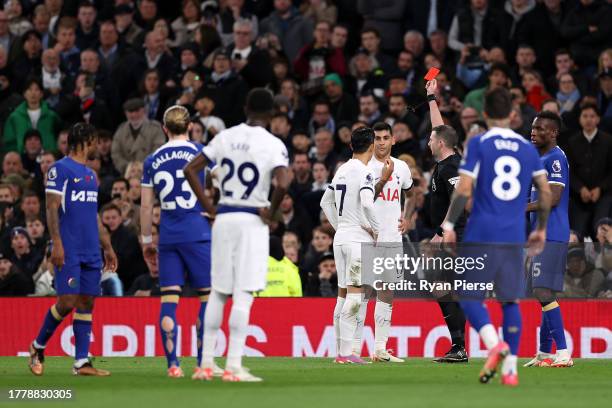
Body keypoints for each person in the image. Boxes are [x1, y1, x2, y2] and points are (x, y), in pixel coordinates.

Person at [441, 88, 552, 386]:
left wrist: (449, 224)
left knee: (467, 295)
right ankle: (511, 369)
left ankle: (495, 345)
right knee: (510, 301)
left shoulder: (478, 143)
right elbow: (544, 191)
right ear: (513, 115)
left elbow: (464, 189)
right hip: (514, 234)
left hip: (481, 232)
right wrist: (540, 228)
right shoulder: (528, 149)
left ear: (485, 114)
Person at [186, 88, 289, 382]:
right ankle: (233, 365)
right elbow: (283, 180)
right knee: (243, 293)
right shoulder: (272, 143)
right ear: (271, 114)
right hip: (251, 218)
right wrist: (270, 210)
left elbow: (191, 170)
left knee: (218, 291)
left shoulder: (225, 136)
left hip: (224, 216)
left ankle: (205, 364)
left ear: (245, 107)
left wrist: (210, 207)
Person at [28, 123, 118, 377]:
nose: (97, 146)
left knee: (87, 301)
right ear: (86, 141)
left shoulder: (91, 175)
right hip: (68, 248)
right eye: (95, 141)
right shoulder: (60, 169)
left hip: (91, 250)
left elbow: (94, 216)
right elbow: (51, 208)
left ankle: (81, 363)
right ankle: (37, 346)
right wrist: (56, 242)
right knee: (67, 301)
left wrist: (107, 247)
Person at [140, 105, 214, 378]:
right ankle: (202, 364)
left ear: (164, 128)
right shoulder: (202, 153)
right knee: (207, 297)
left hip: (168, 235)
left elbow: (146, 207)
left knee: (169, 299)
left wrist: (147, 239)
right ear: (190, 126)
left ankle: (173, 365)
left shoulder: (152, 159)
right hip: (197, 232)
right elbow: (218, 184)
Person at [319, 126, 390, 364]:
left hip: (341, 239)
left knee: (342, 297)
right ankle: (346, 354)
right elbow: (368, 204)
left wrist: (340, 226)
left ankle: (340, 352)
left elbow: (325, 201)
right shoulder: (365, 172)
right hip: (358, 241)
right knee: (355, 297)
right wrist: (377, 231)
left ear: (352, 146)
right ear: (371, 146)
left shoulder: (341, 170)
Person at [353, 121, 414, 363]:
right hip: (367, 238)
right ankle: (354, 348)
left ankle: (380, 349)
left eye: (385, 138)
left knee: (387, 292)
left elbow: (412, 192)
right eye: (376, 138)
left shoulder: (402, 167)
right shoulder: (364, 166)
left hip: (392, 238)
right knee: (364, 292)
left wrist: (407, 217)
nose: (380, 142)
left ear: (393, 140)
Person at [525, 111, 573, 368]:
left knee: (541, 290)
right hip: (542, 233)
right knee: (544, 291)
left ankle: (563, 352)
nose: (534, 132)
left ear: (553, 132)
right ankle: (545, 352)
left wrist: (520, 209)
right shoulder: (541, 158)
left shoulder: (555, 158)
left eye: (540, 129)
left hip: (553, 232)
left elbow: (553, 198)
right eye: (533, 128)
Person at [424, 79, 468, 363]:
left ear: (440, 144)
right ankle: (459, 345)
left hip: (457, 236)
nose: (428, 141)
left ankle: (460, 346)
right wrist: (431, 98)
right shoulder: (448, 159)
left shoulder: (451, 166)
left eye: (431, 139)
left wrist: (443, 231)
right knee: (442, 287)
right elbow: (438, 129)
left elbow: (460, 198)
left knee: (442, 287)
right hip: (454, 234)